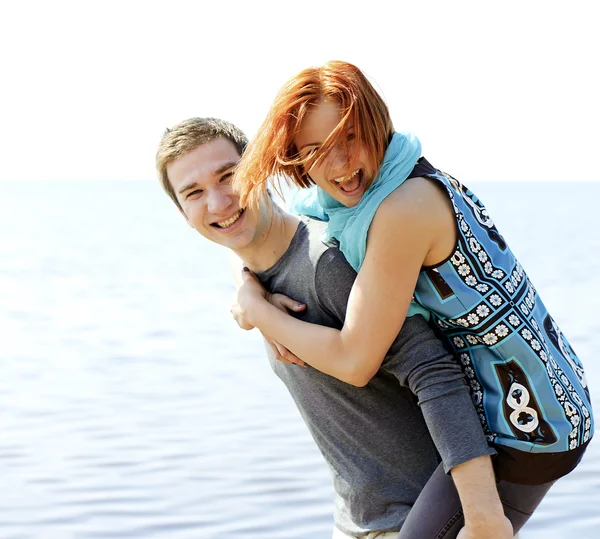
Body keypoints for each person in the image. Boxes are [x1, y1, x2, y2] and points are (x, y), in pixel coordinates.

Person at [231, 60, 593, 493]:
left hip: (531, 430)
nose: (341, 163)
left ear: (377, 124)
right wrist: (244, 278)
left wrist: (257, 310)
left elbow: (355, 361)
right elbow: (273, 233)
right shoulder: (368, 191)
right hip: (558, 398)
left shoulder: (403, 208)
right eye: (316, 149)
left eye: (350, 136)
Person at [155, 117, 520, 539]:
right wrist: (247, 296)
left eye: (228, 176)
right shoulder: (259, 274)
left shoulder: (326, 262)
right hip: (355, 521)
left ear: (258, 171)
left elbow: (433, 371)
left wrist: (481, 517)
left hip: (417, 517)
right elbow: (240, 249)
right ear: (183, 213)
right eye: (194, 193)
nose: (217, 203)